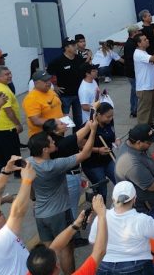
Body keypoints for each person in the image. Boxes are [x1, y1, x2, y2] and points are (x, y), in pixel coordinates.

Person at [28, 119, 97, 275]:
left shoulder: (29, 162)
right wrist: (92, 130)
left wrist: (34, 199)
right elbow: (85, 154)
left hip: (40, 214)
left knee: (49, 251)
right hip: (59, 213)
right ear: (45, 149)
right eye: (52, 142)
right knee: (66, 249)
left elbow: (30, 187)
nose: (54, 142)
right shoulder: (54, 165)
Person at [26, 194, 108, 275]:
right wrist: (101, 215)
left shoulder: (35, 270)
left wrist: (76, 224)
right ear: (56, 268)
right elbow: (99, 252)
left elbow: (55, 247)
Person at [87, 181, 154, 274]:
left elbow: (92, 241)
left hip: (104, 265)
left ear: (113, 198)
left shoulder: (101, 217)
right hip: (137, 265)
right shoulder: (143, 220)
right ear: (134, 199)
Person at [115, 124, 154, 217]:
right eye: (149, 142)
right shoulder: (131, 163)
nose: (151, 144)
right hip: (147, 206)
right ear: (139, 142)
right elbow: (151, 186)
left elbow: (149, 157)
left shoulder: (135, 145)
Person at [0, 66, 23, 169]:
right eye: (7, 74)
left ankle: (4, 169)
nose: (10, 76)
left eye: (10, 73)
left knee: (1, 150)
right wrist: (17, 124)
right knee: (14, 151)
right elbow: (9, 111)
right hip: (7, 127)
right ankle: (17, 171)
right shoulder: (3, 90)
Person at [82, 103, 118, 201]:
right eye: (108, 116)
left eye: (112, 116)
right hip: (93, 164)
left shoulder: (109, 122)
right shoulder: (89, 125)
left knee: (120, 181)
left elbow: (112, 134)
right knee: (102, 191)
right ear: (98, 114)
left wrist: (115, 140)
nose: (110, 118)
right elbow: (81, 145)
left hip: (108, 159)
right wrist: (98, 150)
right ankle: (101, 212)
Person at [48, 38, 86, 130]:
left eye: (75, 45)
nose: (75, 47)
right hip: (65, 95)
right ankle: (62, 138)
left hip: (78, 94)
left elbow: (85, 71)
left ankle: (77, 138)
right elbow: (48, 74)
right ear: (66, 47)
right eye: (73, 45)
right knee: (63, 119)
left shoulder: (79, 58)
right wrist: (54, 87)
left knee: (78, 119)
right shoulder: (58, 61)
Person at [23, 69, 65, 138]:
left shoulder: (50, 91)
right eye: (45, 81)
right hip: (44, 137)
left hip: (57, 131)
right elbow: (36, 121)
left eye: (49, 79)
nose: (48, 82)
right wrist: (55, 123)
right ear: (36, 83)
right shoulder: (31, 98)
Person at [122, 24, 142, 117]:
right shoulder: (130, 44)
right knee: (135, 91)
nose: (140, 32)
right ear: (134, 33)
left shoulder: (131, 43)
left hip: (132, 72)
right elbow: (130, 60)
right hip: (132, 72)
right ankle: (134, 110)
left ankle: (134, 109)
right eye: (138, 31)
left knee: (134, 91)